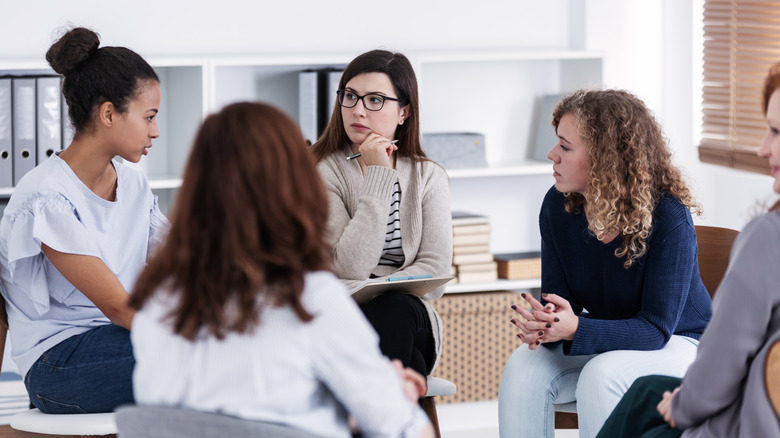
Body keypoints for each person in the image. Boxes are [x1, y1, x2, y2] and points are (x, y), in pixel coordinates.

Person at [129, 101, 433, 438]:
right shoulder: (308, 299)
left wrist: (343, 412)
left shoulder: (157, 301)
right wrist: (394, 398)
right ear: (295, 183)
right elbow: (407, 430)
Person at [498, 89, 712, 438]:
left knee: (602, 375)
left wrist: (576, 330)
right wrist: (548, 324)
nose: (552, 155)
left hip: (681, 343)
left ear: (604, 159)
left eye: (565, 147)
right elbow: (562, 303)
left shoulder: (669, 216)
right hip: (612, 340)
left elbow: (656, 329)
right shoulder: (557, 207)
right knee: (524, 364)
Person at [596, 63, 780, 438]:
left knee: (646, 413)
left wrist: (683, 405)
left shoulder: (768, 237)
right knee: (645, 393)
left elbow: (723, 359)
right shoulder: (559, 208)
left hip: (745, 424)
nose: (763, 149)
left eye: (776, 132)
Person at [0, 27, 167, 413]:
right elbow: (119, 309)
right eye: (149, 117)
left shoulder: (134, 186)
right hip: (58, 363)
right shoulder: (46, 197)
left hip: (117, 339)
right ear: (109, 113)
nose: (155, 131)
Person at [311, 50, 452, 380]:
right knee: (410, 365)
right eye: (350, 96)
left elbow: (434, 270)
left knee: (394, 310)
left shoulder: (428, 176)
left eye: (375, 99)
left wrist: (373, 289)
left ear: (403, 112)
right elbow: (348, 265)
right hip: (342, 318)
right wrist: (378, 174)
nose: (357, 110)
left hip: (407, 317)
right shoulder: (321, 172)